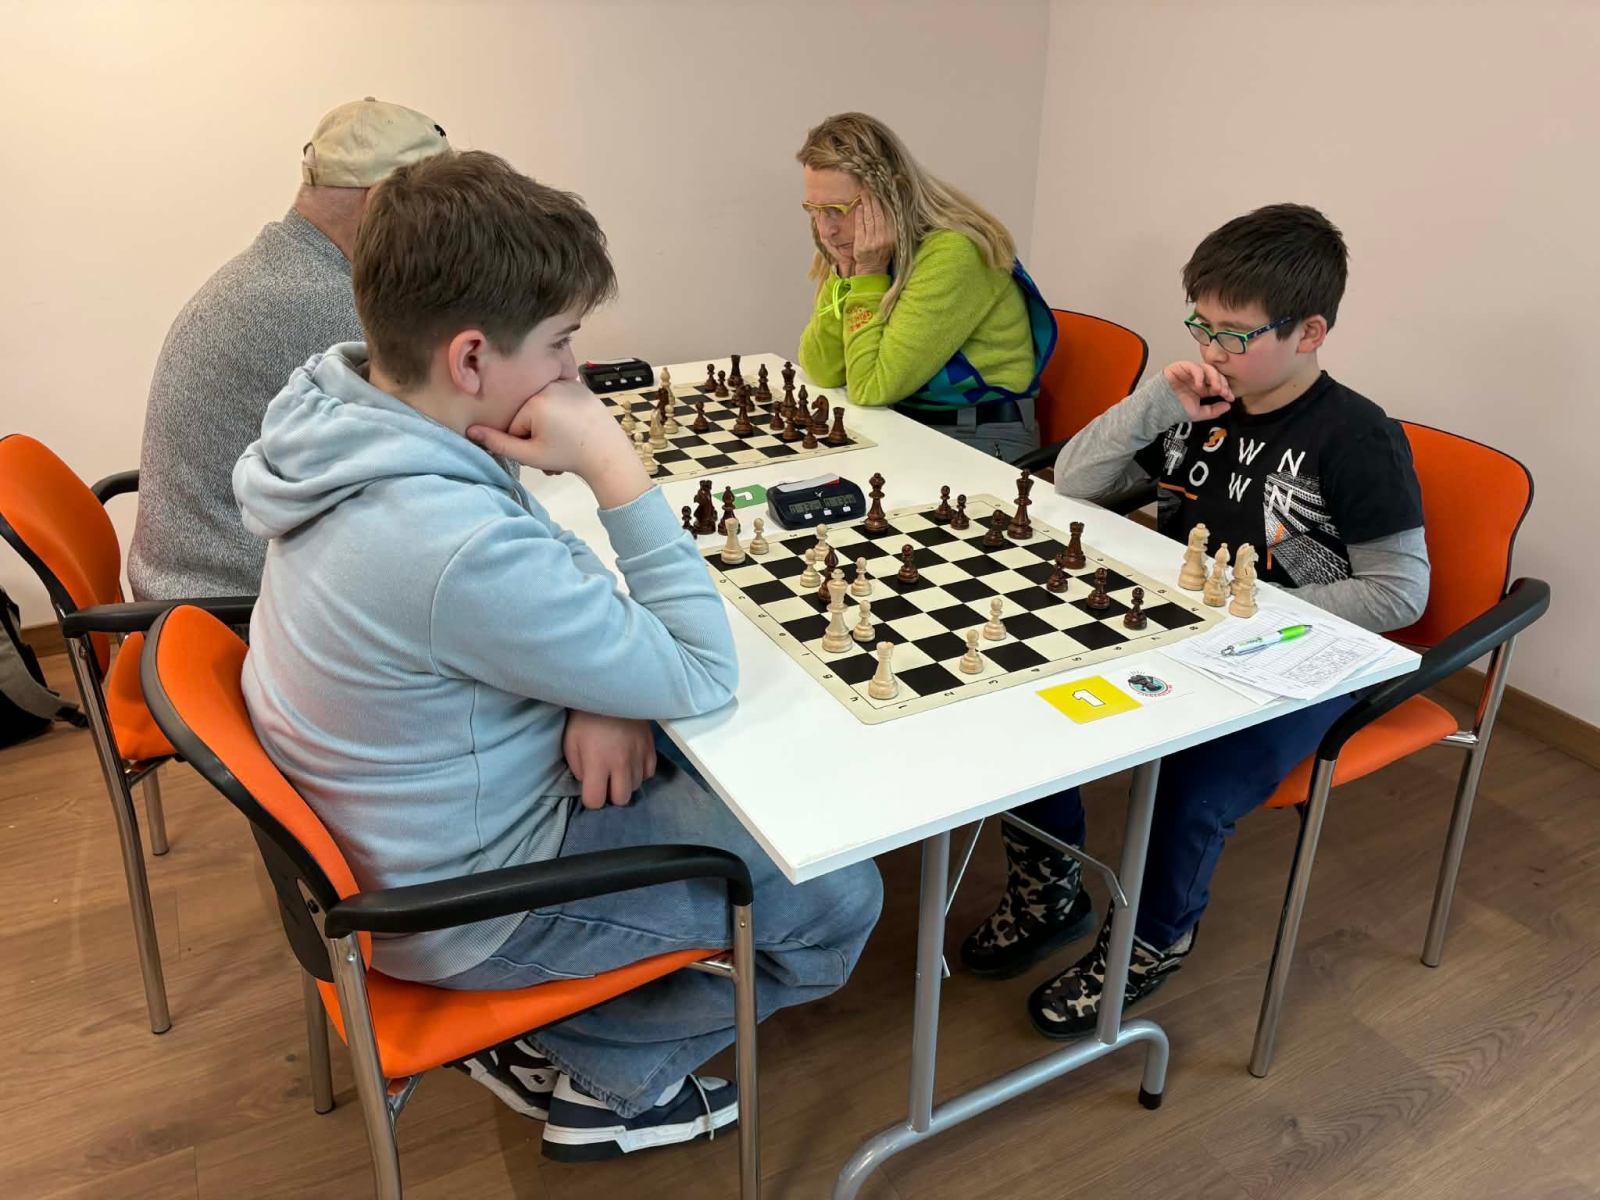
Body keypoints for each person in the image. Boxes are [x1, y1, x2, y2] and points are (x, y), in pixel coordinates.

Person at [233, 150, 882, 1161]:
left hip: (412, 838)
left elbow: (538, 559)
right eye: (562, 342)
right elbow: (701, 669)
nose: (574, 374)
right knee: (842, 899)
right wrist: (615, 468)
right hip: (465, 903)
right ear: (471, 359)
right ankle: (604, 1077)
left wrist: (601, 691)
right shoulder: (441, 539)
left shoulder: (349, 415)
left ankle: (562, 1030)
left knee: (726, 780)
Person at [959, 204, 1430, 1037]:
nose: (1213, 351)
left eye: (1237, 335)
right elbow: (1075, 482)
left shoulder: (1357, 437)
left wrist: (1241, 609)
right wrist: (1155, 402)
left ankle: (1154, 938)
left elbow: (1399, 595)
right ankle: (1051, 888)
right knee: (1031, 693)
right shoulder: (1198, 403)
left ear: (1311, 332)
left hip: (1300, 655)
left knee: (1194, 778)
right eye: (1201, 327)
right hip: (1183, 629)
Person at [128, 98, 449, 600]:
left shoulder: (283, 266)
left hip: (201, 581)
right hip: (232, 606)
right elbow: (450, 462)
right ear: (383, 202)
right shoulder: (322, 304)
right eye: (437, 209)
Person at [795, 112, 1056, 462]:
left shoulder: (954, 252)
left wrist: (868, 274)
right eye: (814, 210)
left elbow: (871, 387)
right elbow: (822, 370)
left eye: (837, 210)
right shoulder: (863, 248)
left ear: (893, 193)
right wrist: (844, 275)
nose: (826, 230)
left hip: (980, 435)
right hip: (903, 420)